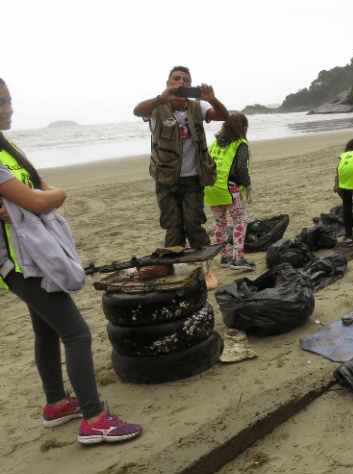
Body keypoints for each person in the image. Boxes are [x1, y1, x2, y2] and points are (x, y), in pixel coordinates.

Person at [0, 78, 142, 445]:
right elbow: (40, 200)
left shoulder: (6, 147)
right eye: (2, 103)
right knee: (77, 333)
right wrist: (55, 195)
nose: (10, 109)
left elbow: (37, 187)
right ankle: (94, 419)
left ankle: (57, 404)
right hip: (19, 264)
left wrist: (41, 196)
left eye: (10, 101)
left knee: (46, 330)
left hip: (32, 256)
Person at [133, 65, 229, 249]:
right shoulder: (156, 108)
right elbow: (138, 111)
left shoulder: (198, 106)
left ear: (190, 86)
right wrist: (162, 98)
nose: (181, 82)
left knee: (194, 225)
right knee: (173, 228)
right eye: (176, 79)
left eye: (185, 80)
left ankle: (203, 268)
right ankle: (172, 269)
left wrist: (212, 99)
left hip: (193, 179)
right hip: (166, 179)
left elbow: (223, 116)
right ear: (168, 84)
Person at [204, 113, 255, 271]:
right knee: (240, 220)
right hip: (229, 188)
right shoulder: (240, 144)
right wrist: (248, 187)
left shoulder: (214, 144)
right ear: (243, 127)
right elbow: (241, 168)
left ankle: (224, 257)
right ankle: (237, 259)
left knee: (219, 222)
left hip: (211, 187)